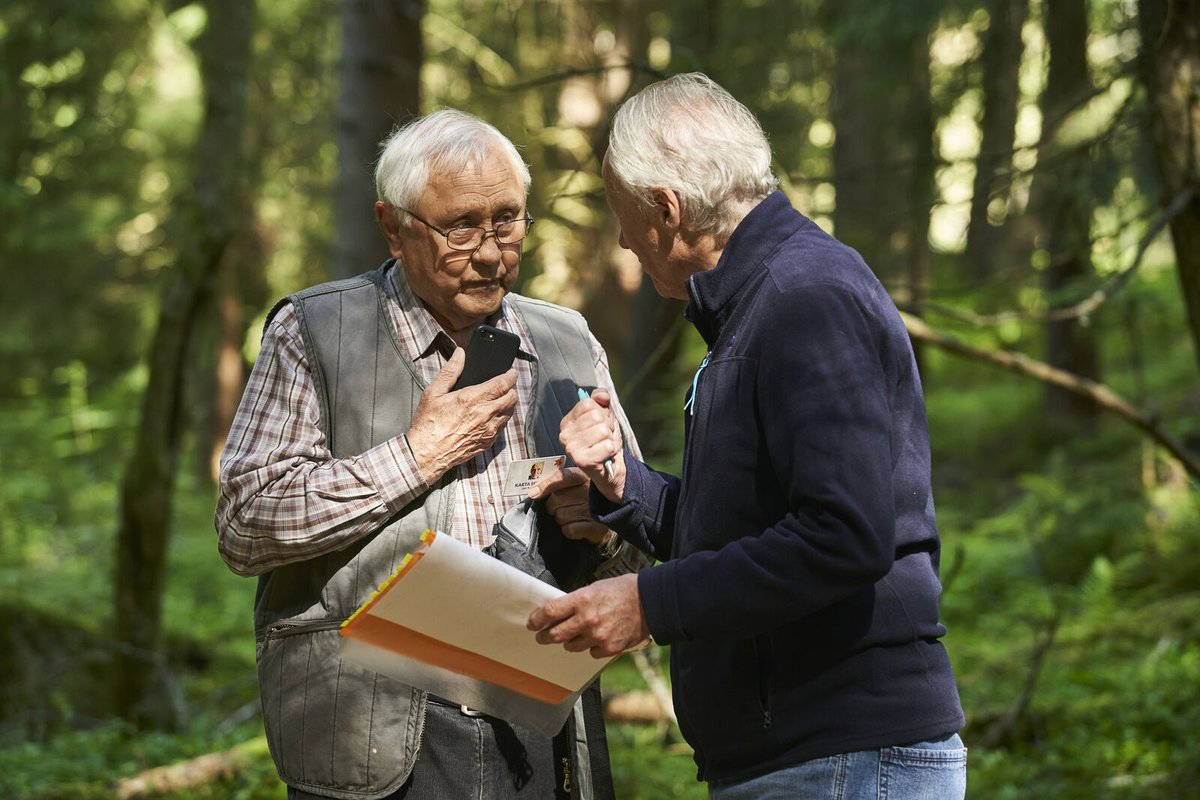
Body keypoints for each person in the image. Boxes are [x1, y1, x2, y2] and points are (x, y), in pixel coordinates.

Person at [527, 73, 967, 798]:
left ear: (665, 209)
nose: (620, 240)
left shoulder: (803, 298)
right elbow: (750, 531)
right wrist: (622, 485)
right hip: (806, 754)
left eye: (620, 213)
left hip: (843, 753)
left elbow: (843, 535)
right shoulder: (759, 306)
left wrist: (648, 604)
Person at [216, 109, 646, 800]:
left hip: (538, 732)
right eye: (461, 225)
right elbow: (244, 524)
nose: (489, 251)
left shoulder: (567, 343)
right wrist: (416, 455)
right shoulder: (315, 332)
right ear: (393, 225)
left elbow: (642, 548)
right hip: (371, 739)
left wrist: (603, 521)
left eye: (507, 219)